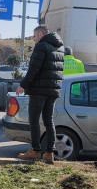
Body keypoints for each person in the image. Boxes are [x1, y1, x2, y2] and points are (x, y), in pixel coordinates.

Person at [16, 25, 64, 164]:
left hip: (39, 90)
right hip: (53, 90)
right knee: (49, 121)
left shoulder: (42, 46)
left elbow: (33, 70)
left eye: (35, 36)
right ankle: (49, 153)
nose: (33, 39)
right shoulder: (59, 48)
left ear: (42, 34)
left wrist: (22, 85)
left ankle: (36, 150)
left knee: (34, 120)